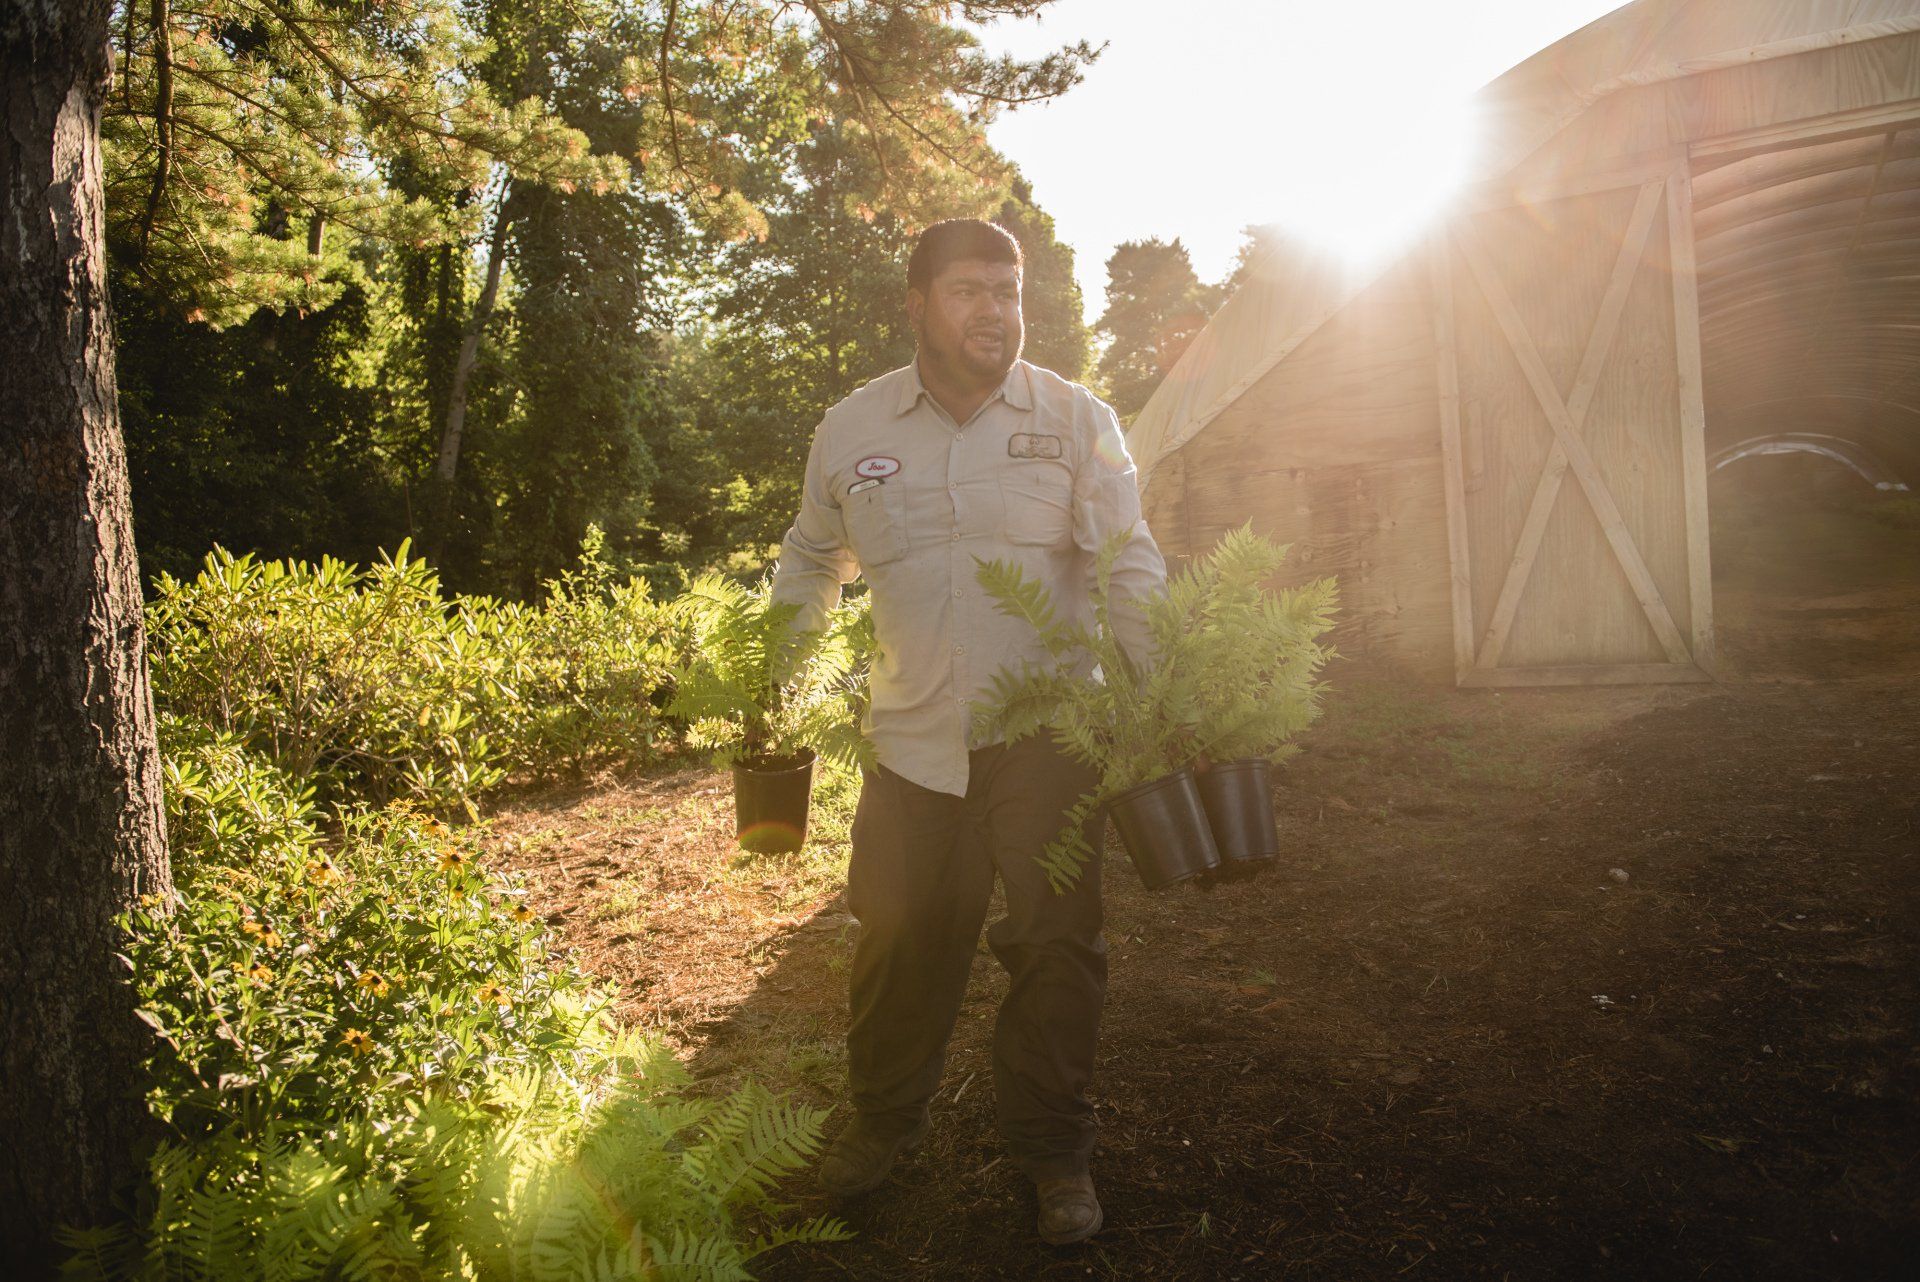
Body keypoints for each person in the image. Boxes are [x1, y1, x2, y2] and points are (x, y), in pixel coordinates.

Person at [769, 218, 1167, 1246]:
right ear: (917, 304)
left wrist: (1160, 692)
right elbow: (812, 556)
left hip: (1047, 741)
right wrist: (777, 668)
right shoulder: (852, 428)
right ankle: (881, 1121)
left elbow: (1127, 557)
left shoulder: (1077, 419)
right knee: (899, 939)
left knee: (1056, 947)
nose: (996, 311)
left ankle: (1055, 1151)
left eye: (1008, 290)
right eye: (969, 291)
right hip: (911, 744)